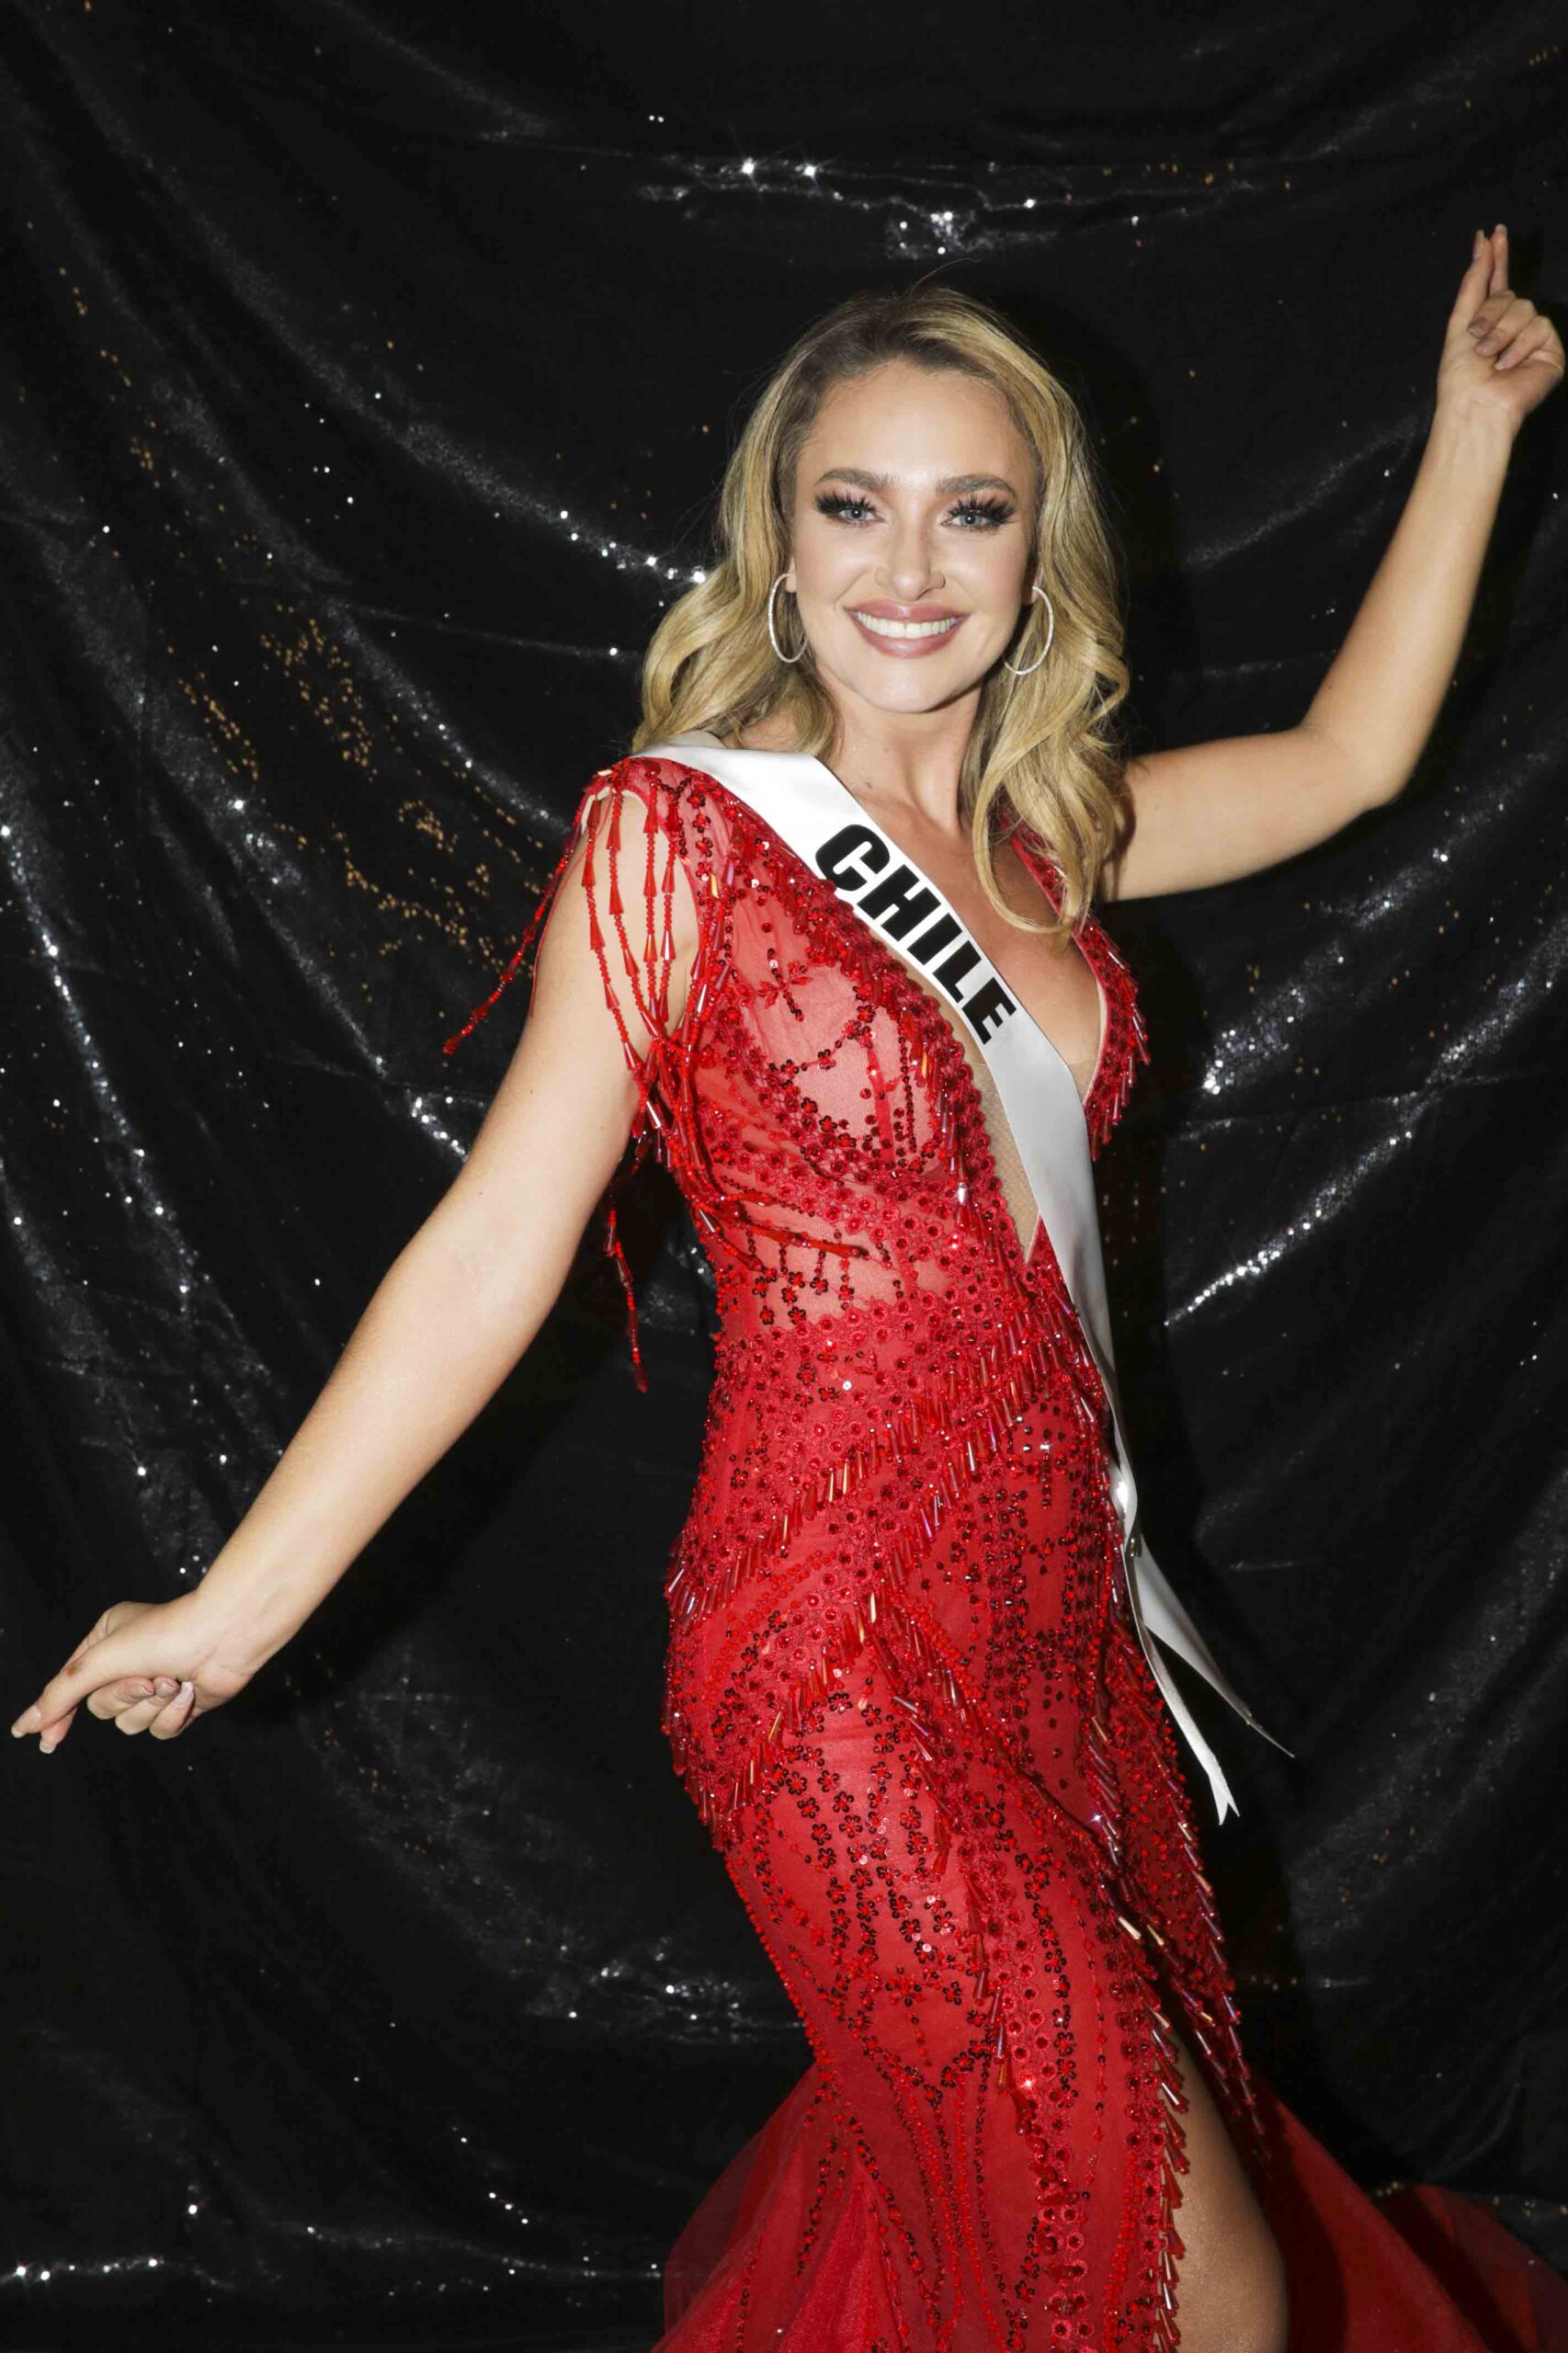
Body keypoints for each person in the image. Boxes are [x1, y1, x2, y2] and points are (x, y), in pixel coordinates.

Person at [11, 230, 1566, 2353]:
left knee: (1002, 2237)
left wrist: (1474, 422)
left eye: (971, 509)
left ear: (1038, 550)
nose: (907, 567)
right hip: (830, 1661)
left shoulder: (1046, 841)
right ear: (779, 536)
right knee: (1188, 2280)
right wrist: (234, 1604)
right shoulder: (679, 838)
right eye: (854, 503)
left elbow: (1355, 756)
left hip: (1056, 1646)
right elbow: (496, 1245)